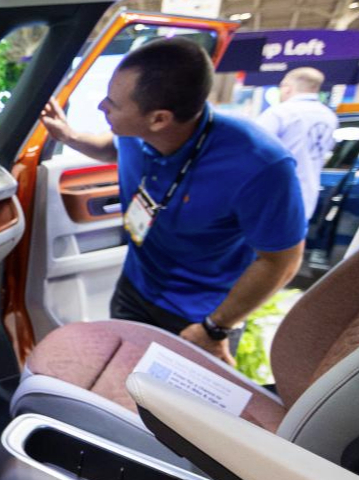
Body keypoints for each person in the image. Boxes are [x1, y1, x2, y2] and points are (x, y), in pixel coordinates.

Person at [40, 38, 306, 365]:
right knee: (120, 383)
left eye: (112, 103)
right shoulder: (136, 134)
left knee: (169, 412)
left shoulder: (261, 164)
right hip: (134, 289)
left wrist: (214, 328)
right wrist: (69, 137)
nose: (101, 108)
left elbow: (281, 262)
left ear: (159, 119)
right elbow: (114, 147)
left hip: (200, 316)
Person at [256, 67, 338, 220]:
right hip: (307, 195)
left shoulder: (280, 113)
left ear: (287, 88)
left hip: (273, 194)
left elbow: (253, 148)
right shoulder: (329, 116)